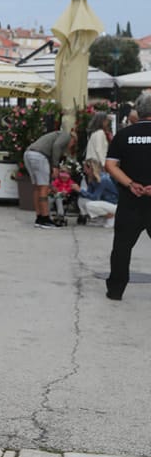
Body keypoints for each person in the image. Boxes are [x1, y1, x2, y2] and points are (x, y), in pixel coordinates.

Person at [103, 92, 151, 301]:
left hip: (130, 200)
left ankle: (115, 290)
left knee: (122, 247)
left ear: (137, 111)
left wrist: (131, 184)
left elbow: (110, 165)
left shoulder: (123, 135)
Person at [23, 128, 76, 229]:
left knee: (37, 188)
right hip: (39, 156)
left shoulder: (54, 135)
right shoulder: (66, 136)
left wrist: (51, 179)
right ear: (73, 139)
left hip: (29, 154)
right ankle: (45, 218)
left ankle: (39, 217)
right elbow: (57, 146)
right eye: (73, 144)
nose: (71, 146)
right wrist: (55, 166)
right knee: (43, 188)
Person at [71, 158, 117, 227]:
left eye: (85, 168)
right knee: (82, 200)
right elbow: (89, 194)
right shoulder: (92, 179)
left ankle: (111, 216)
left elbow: (95, 197)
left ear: (91, 168)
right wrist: (79, 191)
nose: (84, 170)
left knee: (90, 205)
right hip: (105, 203)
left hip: (113, 204)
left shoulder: (103, 179)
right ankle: (102, 218)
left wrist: (80, 190)